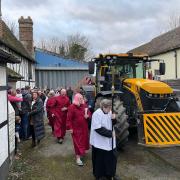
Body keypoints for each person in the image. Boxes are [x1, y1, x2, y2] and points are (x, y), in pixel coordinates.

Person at [90, 99, 119, 180]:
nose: (110, 110)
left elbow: (113, 123)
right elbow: (97, 128)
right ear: (103, 107)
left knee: (111, 158)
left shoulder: (109, 112)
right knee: (100, 160)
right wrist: (110, 134)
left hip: (110, 142)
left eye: (110, 107)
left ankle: (110, 174)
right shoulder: (97, 114)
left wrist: (114, 119)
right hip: (99, 142)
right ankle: (100, 175)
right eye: (108, 108)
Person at [67, 93, 91, 166]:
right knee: (77, 143)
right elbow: (69, 118)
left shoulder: (84, 106)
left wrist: (88, 116)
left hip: (84, 128)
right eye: (80, 99)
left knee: (83, 141)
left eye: (82, 98)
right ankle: (78, 158)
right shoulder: (71, 107)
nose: (82, 100)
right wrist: (70, 128)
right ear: (77, 99)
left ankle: (82, 152)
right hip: (76, 128)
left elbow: (89, 113)